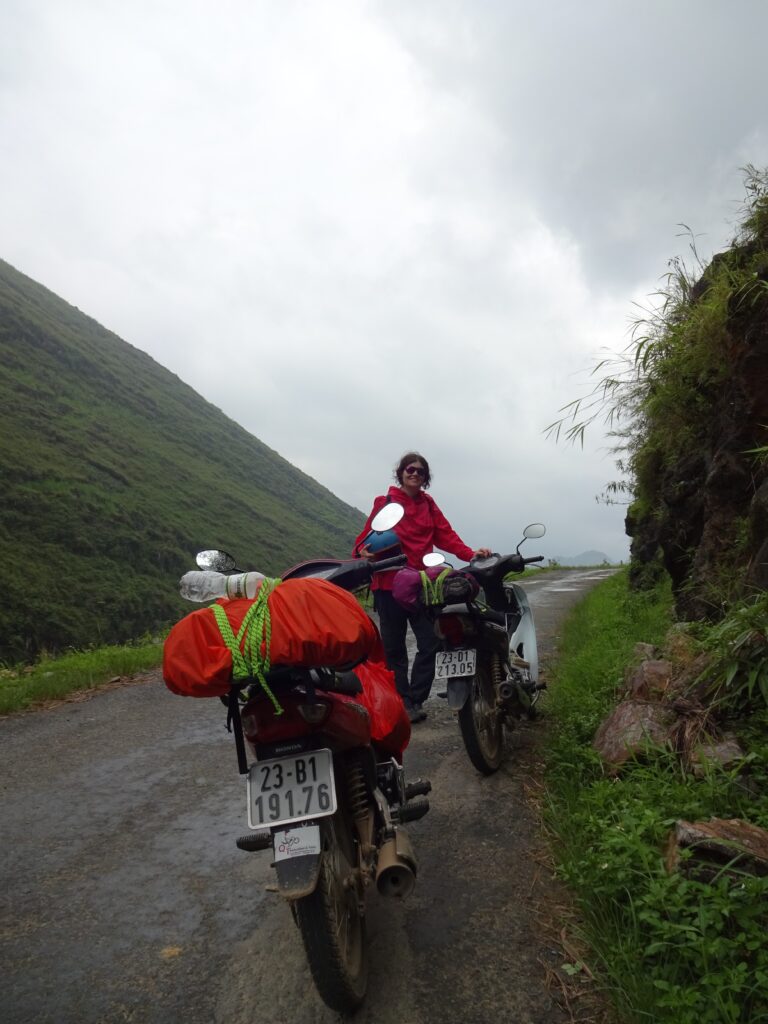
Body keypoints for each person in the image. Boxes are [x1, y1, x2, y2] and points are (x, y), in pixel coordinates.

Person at [353, 452, 491, 723]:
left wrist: (471, 554)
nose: (414, 474)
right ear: (401, 473)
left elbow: (445, 535)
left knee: (431, 641)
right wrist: (362, 552)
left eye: (420, 471)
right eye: (409, 469)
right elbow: (364, 540)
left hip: (421, 585)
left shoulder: (428, 504)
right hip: (387, 585)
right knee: (394, 649)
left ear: (426, 477)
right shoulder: (386, 503)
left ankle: (415, 698)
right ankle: (401, 702)